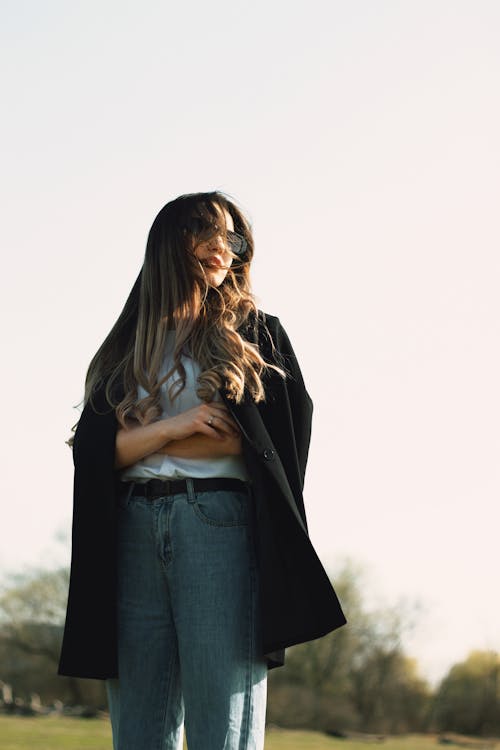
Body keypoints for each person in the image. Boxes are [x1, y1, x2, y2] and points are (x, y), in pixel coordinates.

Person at [58, 191, 346, 750]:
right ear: (170, 241)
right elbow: (91, 457)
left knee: (224, 726)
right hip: (130, 532)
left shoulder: (256, 336)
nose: (222, 249)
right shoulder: (126, 346)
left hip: (219, 523)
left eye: (233, 239)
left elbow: (263, 450)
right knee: (139, 729)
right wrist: (177, 427)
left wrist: (137, 439)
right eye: (206, 232)